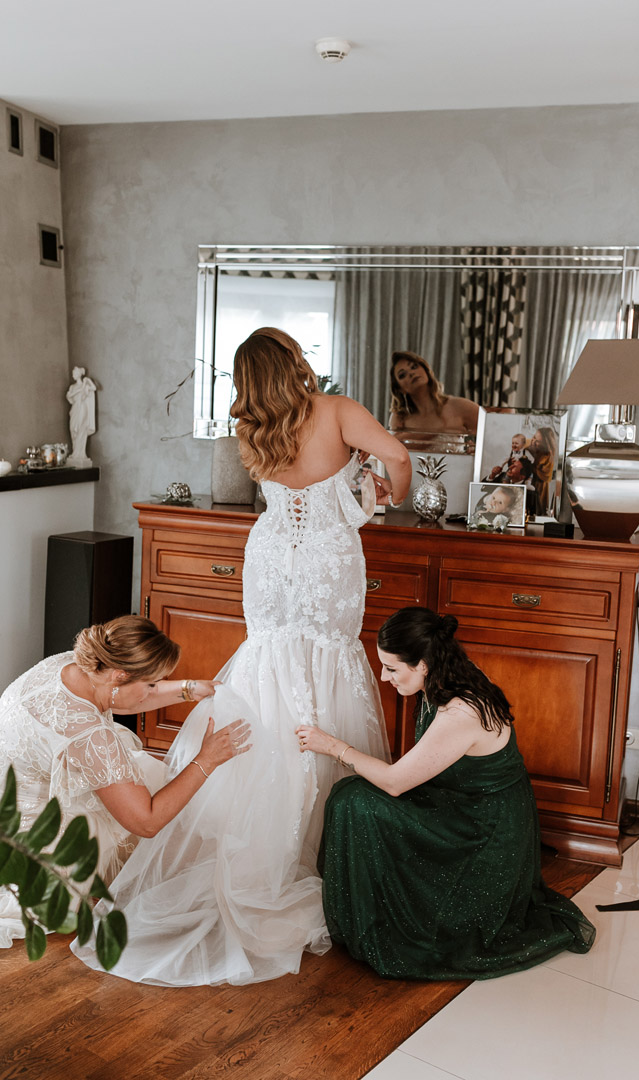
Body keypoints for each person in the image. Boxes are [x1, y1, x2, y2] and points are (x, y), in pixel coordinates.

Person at [72, 326, 412, 987]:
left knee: (270, 665)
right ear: (294, 361)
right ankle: (324, 848)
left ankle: (264, 839)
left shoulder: (253, 430)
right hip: (328, 557)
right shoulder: (337, 411)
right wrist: (386, 492)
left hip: (270, 555)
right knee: (328, 660)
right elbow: (397, 455)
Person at [296, 607, 595, 980]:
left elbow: (395, 781)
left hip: (484, 831)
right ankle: (362, 910)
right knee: (351, 793)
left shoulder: (461, 712)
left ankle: (382, 915)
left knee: (356, 801)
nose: (384, 677)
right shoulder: (445, 677)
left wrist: (333, 746)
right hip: (458, 803)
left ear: (422, 664)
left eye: (391, 669)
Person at [0, 616, 249, 954]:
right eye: (152, 683)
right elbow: (146, 821)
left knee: (133, 776)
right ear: (120, 675)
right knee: (145, 805)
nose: (154, 690)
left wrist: (187, 689)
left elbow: (127, 696)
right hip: (18, 837)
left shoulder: (74, 664)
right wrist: (205, 760)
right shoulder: (87, 733)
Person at [389, 351, 478, 438]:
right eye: (402, 375)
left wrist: (473, 447)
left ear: (426, 370)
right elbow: (393, 444)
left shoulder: (458, 406)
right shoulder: (400, 417)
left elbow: (486, 428)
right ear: (400, 389)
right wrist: (440, 430)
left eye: (414, 367)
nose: (411, 373)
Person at [66, 366, 97, 467]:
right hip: (75, 409)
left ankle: (80, 454)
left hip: (82, 409)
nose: (73, 375)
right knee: (73, 430)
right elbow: (69, 396)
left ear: (79, 374)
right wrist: (79, 390)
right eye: (72, 373)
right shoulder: (72, 387)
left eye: (74, 373)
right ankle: (75, 452)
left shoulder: (85, 385)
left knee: (81, 430)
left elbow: (94, 388)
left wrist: (87, 380)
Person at [528, 426, 557, 515]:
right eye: (534, 437)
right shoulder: (533, 450)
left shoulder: (547, 455)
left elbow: (546, 475)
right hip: (530, 483)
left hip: (540, 487)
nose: (533, 441)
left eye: (537, 441)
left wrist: (531, 466)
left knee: (538, 507)